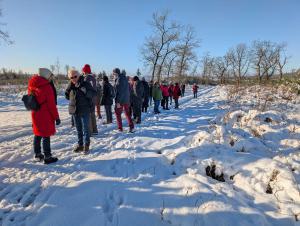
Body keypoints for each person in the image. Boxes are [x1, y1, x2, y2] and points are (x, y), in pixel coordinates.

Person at [28, 68, 60, 164]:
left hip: (35, 113)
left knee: (37, 134)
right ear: (46, 76)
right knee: (46, 135)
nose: (51, 78)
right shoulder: (47, 87)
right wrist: (56, 117)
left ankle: (38, 155)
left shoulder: (31, 85)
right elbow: (51, 105)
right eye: (50, 76)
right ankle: (47, 157)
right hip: (45, 115)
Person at [65, 69, 96, 154]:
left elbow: (93, 93)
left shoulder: (85, 83)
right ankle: (80, 145)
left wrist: (85, 91)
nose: (74, 78)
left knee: (86, 128)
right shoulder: (71, 85)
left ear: (79, 75)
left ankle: (86, 145)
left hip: (85, 109)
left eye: (75, 76)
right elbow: (67, 97)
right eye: (71, 77)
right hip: (75, 110)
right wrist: (68, 89)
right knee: (78, 129)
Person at [113, 68, 134, 132]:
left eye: (113, 74)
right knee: (127, 113)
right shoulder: (125, 79)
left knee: (117, 113)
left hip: (121, 100)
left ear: (116, 73)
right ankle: (131, 126)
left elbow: (120, 92)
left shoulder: (119, 80)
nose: (113, 75)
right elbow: (129, 90)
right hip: (126, 99)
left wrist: (118, 102)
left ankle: (120, 128)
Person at [82, 64, 98, 135]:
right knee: (93, 114)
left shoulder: (86, 78)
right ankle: (95, 130)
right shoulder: (93, 78)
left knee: (88, 115)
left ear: (85, 71)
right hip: (94, 98)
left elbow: (85, 89)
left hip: (88, 98)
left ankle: (90, 131)